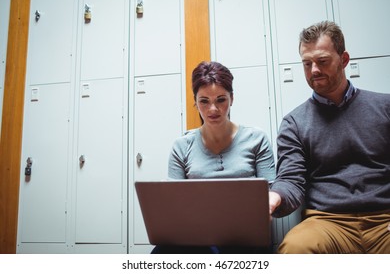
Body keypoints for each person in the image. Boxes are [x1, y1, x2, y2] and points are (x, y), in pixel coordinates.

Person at [269, 20, 390, 253]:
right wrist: (274, 198)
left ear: (344, 60)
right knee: (295, 249)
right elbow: (291, 179)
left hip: (384, 217)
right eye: (307, 63)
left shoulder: (384, 108)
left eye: (322, 61)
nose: (314, 70)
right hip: (328, 222)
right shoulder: (294, 122)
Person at [152, 61, 276, 254]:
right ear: (195, 102)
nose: (212, 109)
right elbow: (174, 207)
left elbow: (269, 193)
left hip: (244, 236)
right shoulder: (182, 146)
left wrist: (263, 211)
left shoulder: (256, 139)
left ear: (232, 99)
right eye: (204, 101)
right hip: (196, 236)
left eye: (220, 100)